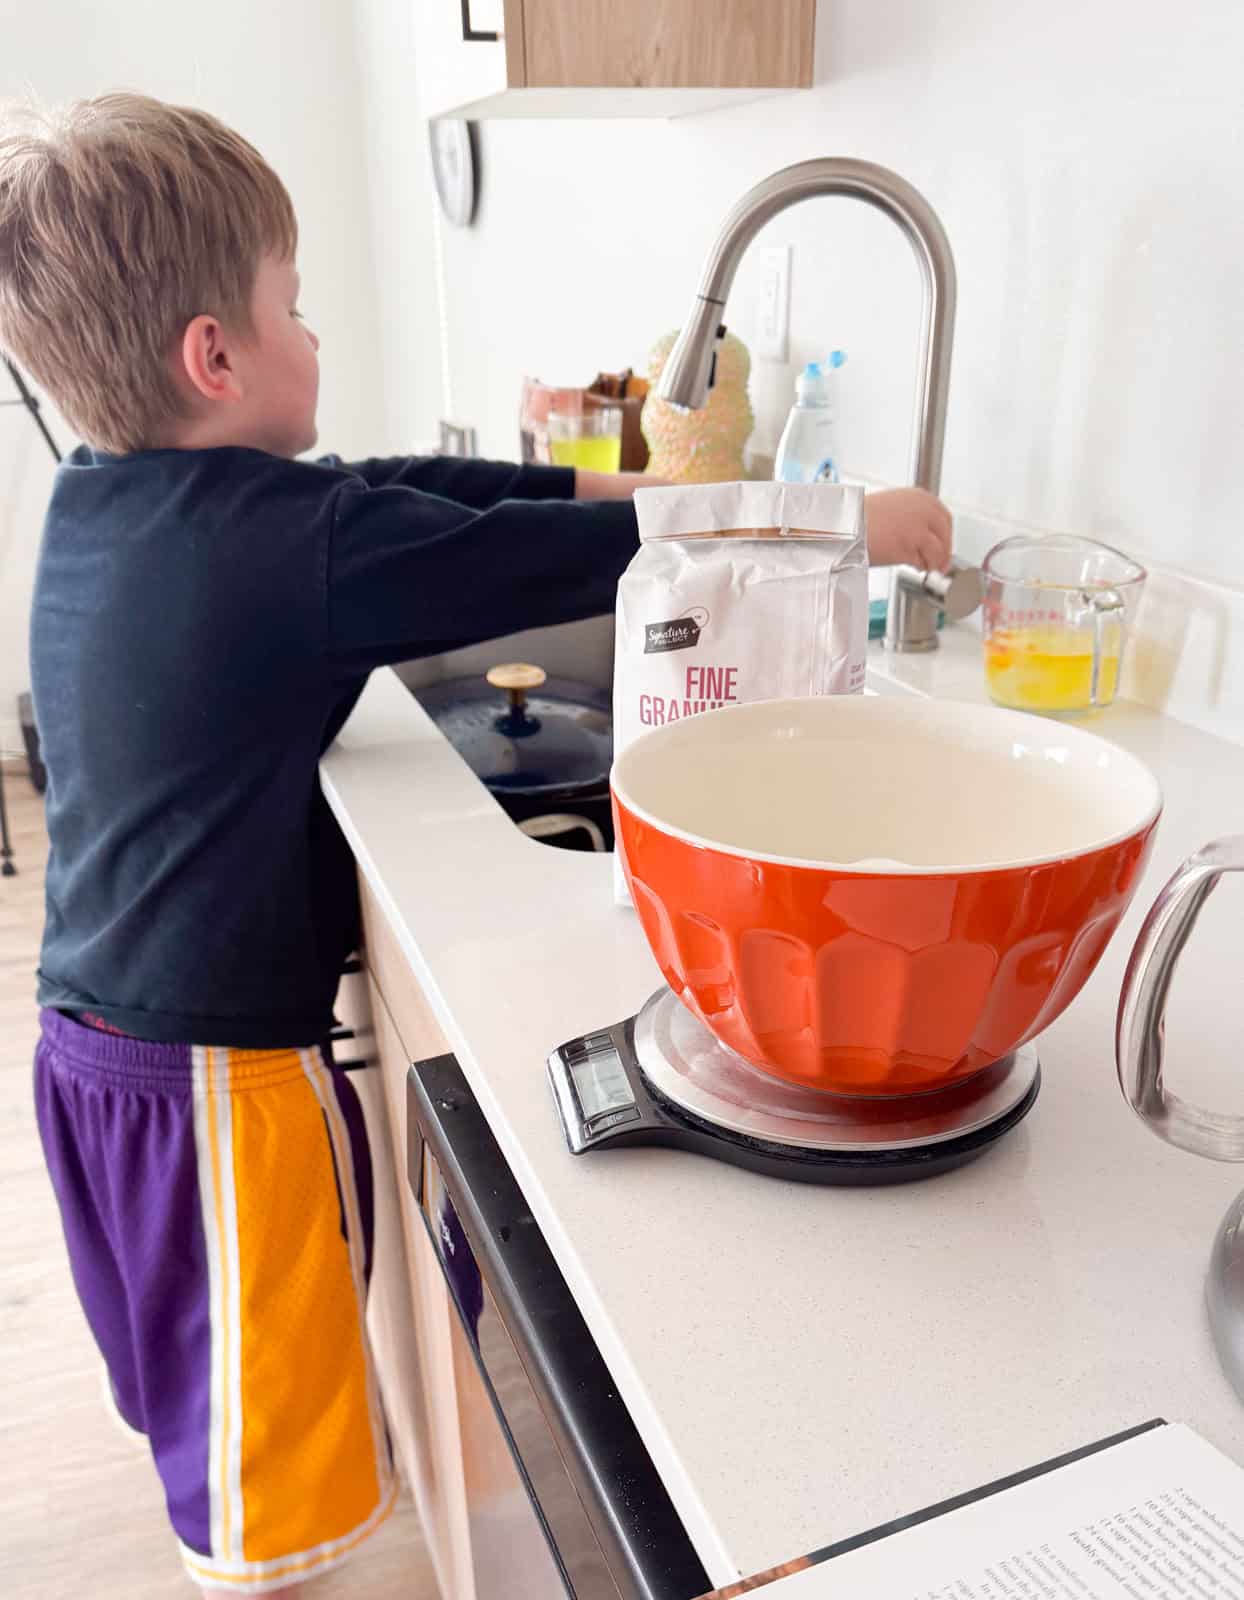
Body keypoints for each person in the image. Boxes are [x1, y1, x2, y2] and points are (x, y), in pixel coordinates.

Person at [0, 92, 951, 1595]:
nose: (313, 333)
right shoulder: (281, 549)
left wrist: (652, 491)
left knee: (205, 1405)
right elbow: (507, 549)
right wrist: (828, 514)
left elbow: (428, 497)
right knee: (271, 1511)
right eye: (292, 305)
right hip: (212, 1098)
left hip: (99, 1056)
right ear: (216, 356)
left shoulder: (119, 503)